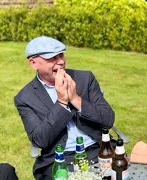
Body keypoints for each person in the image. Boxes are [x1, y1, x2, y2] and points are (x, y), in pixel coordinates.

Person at [14, 36, 115, 179]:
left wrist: (75, 99)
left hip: (97, 150)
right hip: (60, 158)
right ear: (33, 63)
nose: (61, 61)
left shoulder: (84, 78)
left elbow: (108, 119)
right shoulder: (25, 98)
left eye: (61, 55)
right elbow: (40, 140)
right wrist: (62, 103)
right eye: (52, 58)